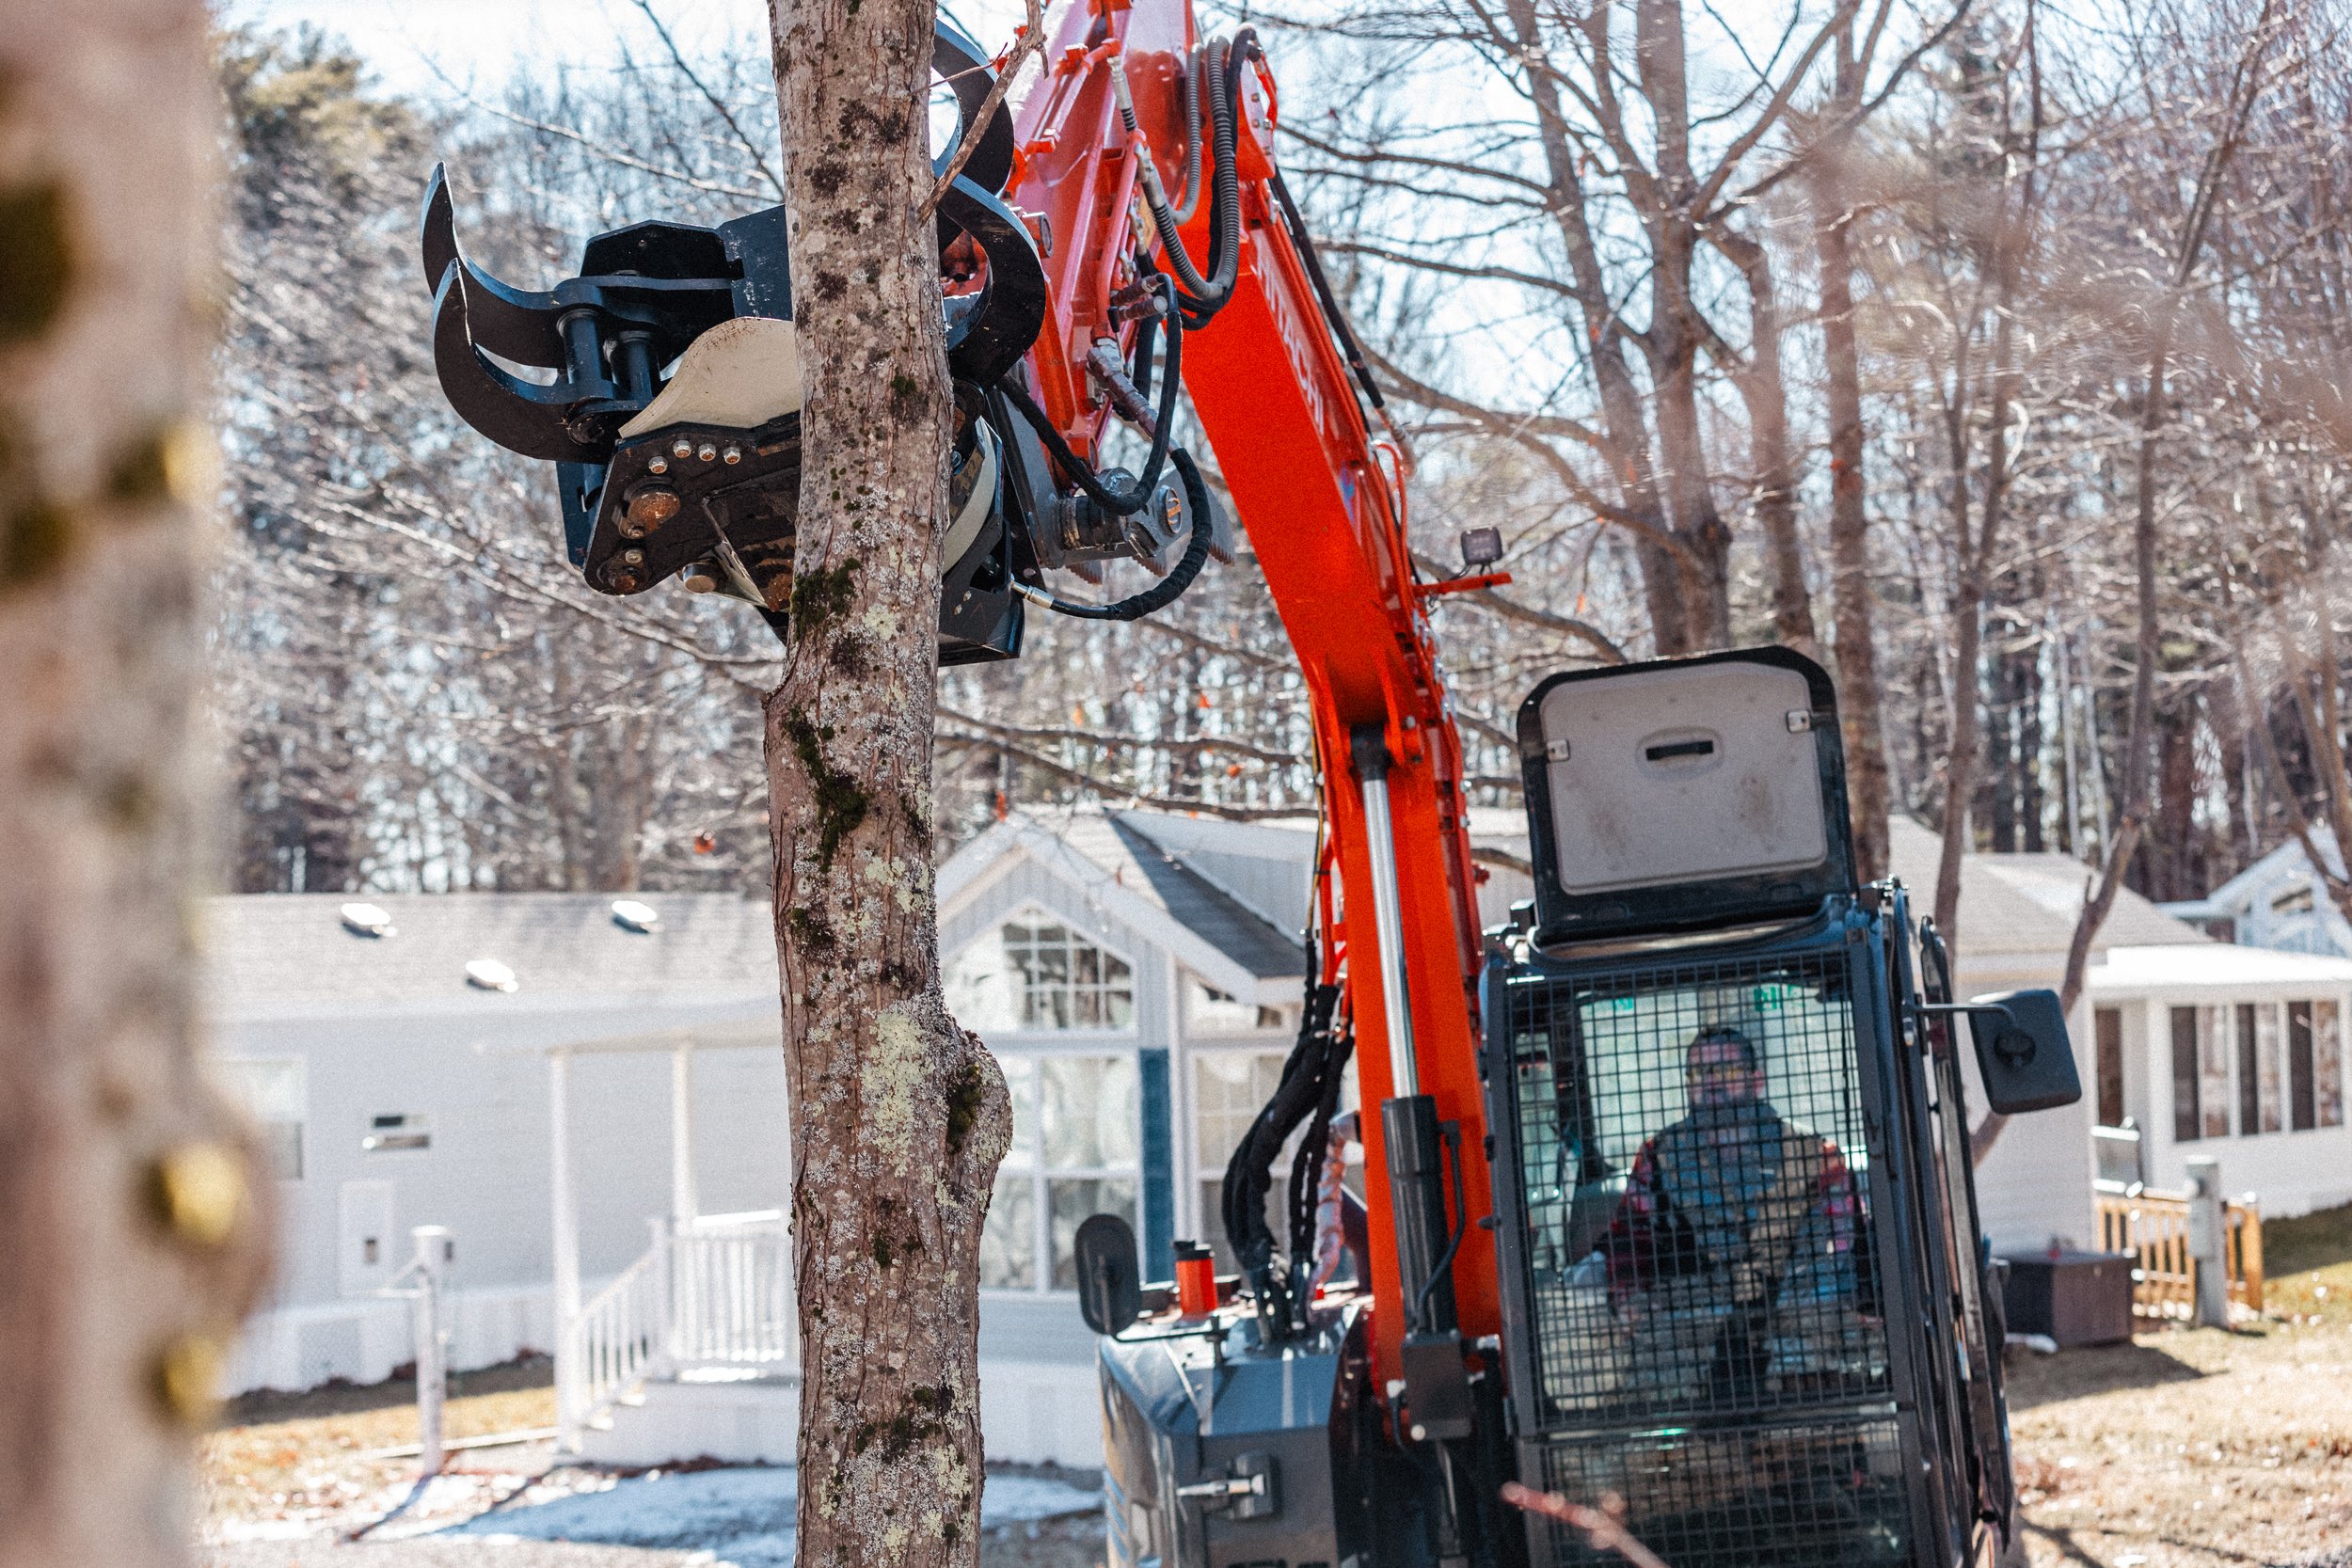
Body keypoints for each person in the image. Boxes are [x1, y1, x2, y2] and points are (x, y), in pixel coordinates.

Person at [1594, 1022, 1874, 1405]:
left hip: (1795, 1331)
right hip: (1691, 1333)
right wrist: (1629, 1300)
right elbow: (1631, 1239)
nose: (1710, 1083)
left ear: (1756, 1081)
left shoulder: (1815, 1157)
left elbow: (1840, 1247)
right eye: (1698, 1073)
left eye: (1725, 1071)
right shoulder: (1657, 1157)